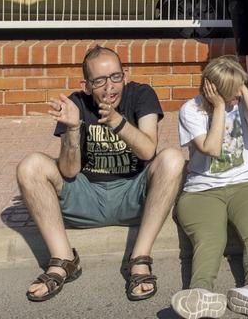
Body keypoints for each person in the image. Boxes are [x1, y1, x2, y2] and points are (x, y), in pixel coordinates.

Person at [16, 45, 184, 303]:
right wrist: (72, 129)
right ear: (86, 85)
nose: (110, 87)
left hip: (133, 196)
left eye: (116, 77)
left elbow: (148, 150)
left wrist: (118, 122)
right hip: (88, 198)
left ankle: (139, 260)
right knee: (30, 165)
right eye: (100, 81)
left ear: (125, 75)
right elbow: (69, 170)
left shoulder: (141, 95)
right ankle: (63, 261)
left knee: (172, 158)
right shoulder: (75, 104)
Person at [172, 57, 248, 319]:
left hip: (247, 183)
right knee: (211, 238)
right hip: (202, 190)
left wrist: (244, 89)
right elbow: (211, 148)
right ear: (212, 90)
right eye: (230, 94)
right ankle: (200, 294)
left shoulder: (242, 99)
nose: (236, 99)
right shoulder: (192, 110)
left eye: (238, 92)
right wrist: (220, 107)